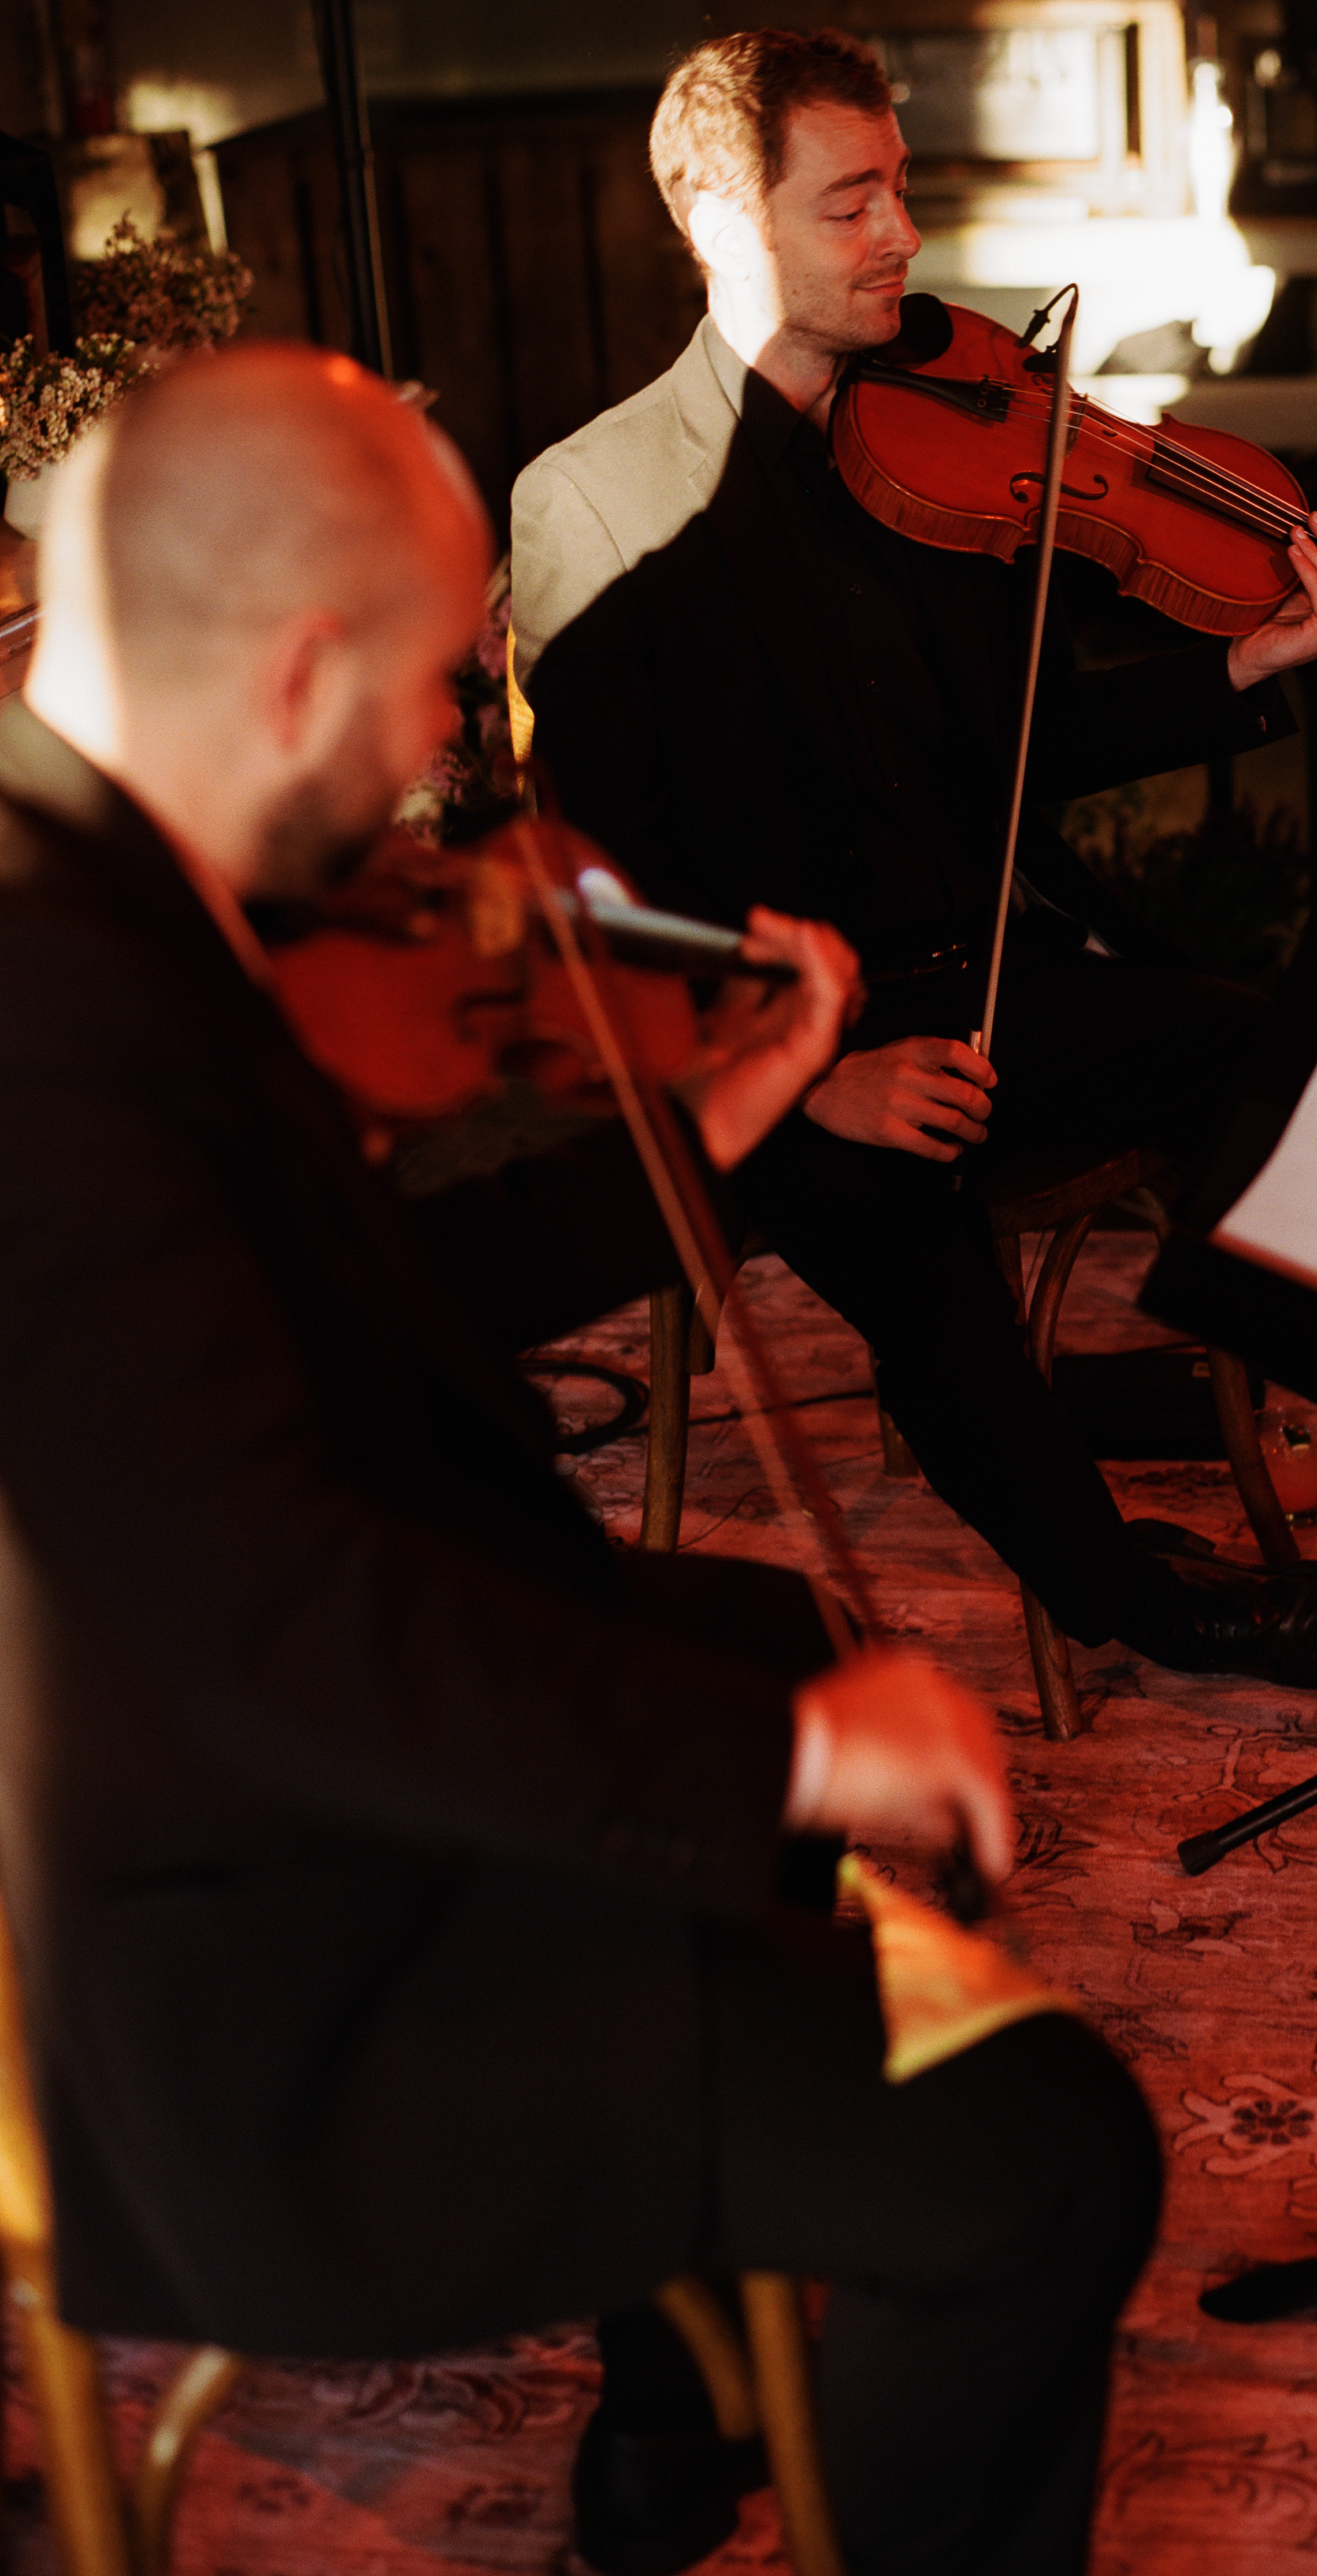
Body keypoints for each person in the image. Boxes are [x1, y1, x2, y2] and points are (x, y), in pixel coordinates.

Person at [0, 339, 1163, 2576]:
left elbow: (377, 1312)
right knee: (1046, 2148)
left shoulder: (98, 886)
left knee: (745, 1622)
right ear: (301, 665)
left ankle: (665, 2443)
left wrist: (715, 1125)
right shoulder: (58, 1049)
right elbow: (284, 1631)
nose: (471, 749)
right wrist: (792, 1769)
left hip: (204, 1796)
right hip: (248, 2033)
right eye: (449, 687)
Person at [511, 27, 1317, 1703]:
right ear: (722, 218)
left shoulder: (925, 448)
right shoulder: (596, 498)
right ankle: (1133, 1599)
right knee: (906, 1221)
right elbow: (602, 892)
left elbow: (1013, 756)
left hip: (976, 978)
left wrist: (1246, 665)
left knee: (1264, 1047)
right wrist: (817, 1082)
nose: (899, 237)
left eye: (899, 190)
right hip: (765, 1049)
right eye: (847, 199)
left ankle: (1241, 1420)